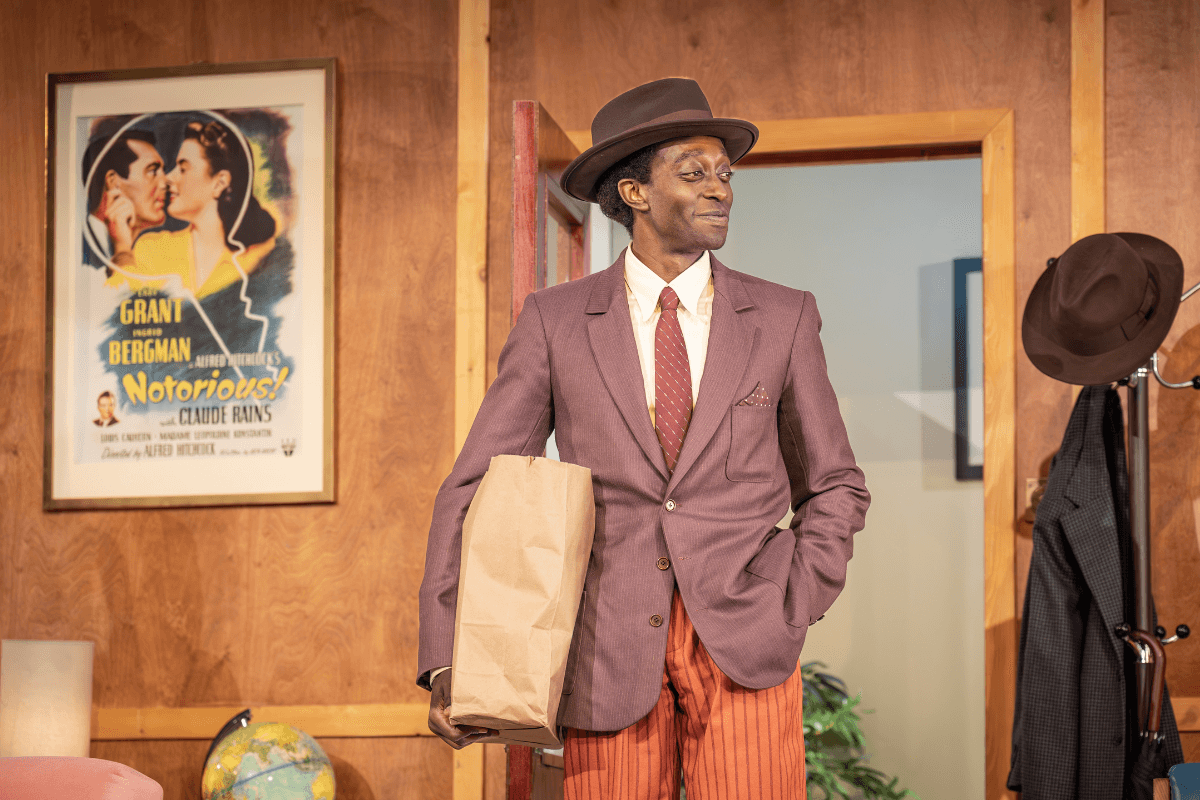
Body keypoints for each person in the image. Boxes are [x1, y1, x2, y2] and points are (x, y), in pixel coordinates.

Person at [418, 78, 870, 799]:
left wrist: (795, 598)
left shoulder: (783, 317)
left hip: (747, 639)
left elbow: (835, 483)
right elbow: (476, 486)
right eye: (693, 173)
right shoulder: (556, 321)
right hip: (603, 646)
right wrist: (448, 656)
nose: (720, 190)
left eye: (724, 174)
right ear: (634, 193)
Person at [110, 119, 277, 299]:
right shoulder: (151, 250)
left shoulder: (261, 255)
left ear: (219, 183)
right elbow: (124, 308)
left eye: (183, 169)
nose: (168, 178)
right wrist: (122, 250)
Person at [81, 129, 167, 268]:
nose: (164, 184)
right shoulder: (81, 255)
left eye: (163, 171)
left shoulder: (146, 255)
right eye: (152, 171)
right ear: (113, 182)